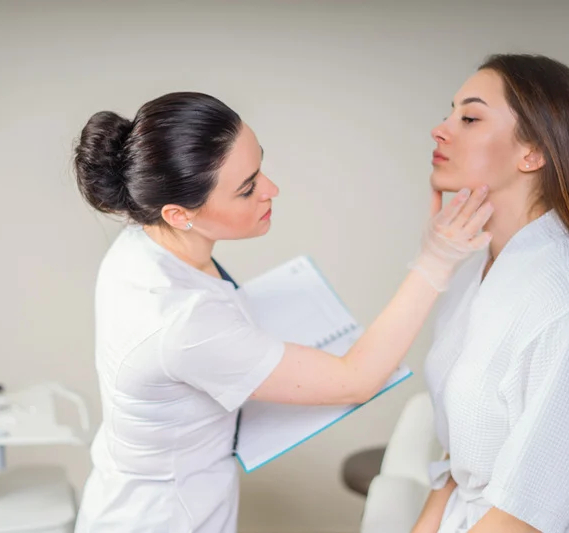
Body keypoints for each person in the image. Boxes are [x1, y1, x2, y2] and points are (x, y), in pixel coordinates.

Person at [71, 91, 493, 533]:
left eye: (259, 168)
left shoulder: (145, 234)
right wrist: (435, 261)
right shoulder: (184, 321)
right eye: (247, 188)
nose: (271, 190)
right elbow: (357, 380)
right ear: (179, 214)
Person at [412, 54, 569, 533]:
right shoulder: (472, 273)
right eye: (449, 113)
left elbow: (525, 512)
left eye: (470, 117)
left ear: (533, 152)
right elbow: (461, 451)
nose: (440, 129)